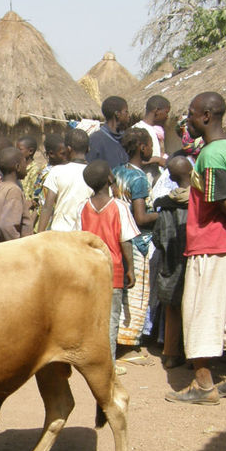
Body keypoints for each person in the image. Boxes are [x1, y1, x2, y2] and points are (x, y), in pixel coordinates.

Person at [165, 92, 226, 405]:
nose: (188, 120)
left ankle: (204, 384)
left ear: (206, 116)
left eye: (191, 114)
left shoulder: (209, 156)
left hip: (209, 245)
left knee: (200, 312)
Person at [74, 160, 138, 375]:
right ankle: (108, 363)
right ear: (111, 179)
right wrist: (131, 268)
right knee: (111, 319)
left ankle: (89, 361)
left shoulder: (82, 207)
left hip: (88, 271)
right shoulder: (119, 206)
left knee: (90, 318)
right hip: (113, 271)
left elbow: (78, 239)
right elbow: (125, 241)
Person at [113, 127, 158, 350]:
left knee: (120, 293)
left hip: (118, 238)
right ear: (142, 147)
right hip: (139, 241)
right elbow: (140, 217)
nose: (151, 149)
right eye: (150, 144)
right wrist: (162, 213)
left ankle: (117, 337)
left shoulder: (117, 172)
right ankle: (128, 341)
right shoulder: (139, 178)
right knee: (137, 294)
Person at [151, 156, 192, 369]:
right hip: (194, 261)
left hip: (170, 263)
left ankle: (170, 354)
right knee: (194, 308)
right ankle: (195, 356)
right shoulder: (200, 201)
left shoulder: (166, 204)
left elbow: (158, 238)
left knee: (172, 309)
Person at [37, 129, 91, 233]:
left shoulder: (56, 171)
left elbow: (47, 207)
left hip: (60, 235)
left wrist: (39, 235)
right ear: (88, 149)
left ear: (68, 149)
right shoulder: (95, 173)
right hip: (85, 235)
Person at [0, 147, 30, 241]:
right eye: (24, 162)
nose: (26, 165)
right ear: (17, 167)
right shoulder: (14, 191)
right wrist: (18, 246)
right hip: (12, 249)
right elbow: (7, 226)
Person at [87, 96, 131, 168]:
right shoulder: (95, 140)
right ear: (117, 114)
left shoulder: (125, 139)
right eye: (126, 111)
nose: (128, 115)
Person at [133, 95, 171, 166]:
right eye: (166, 112)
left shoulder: (152, 129)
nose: (167, 116)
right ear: (157, 111)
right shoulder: (138, 130)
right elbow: (133, 160)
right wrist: (157, 159)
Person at [17, 135, 42, 204]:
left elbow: (35, 196)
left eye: (20, 149)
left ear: (30, 151)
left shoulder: (35, 170)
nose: (17, 152)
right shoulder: (18, 167)